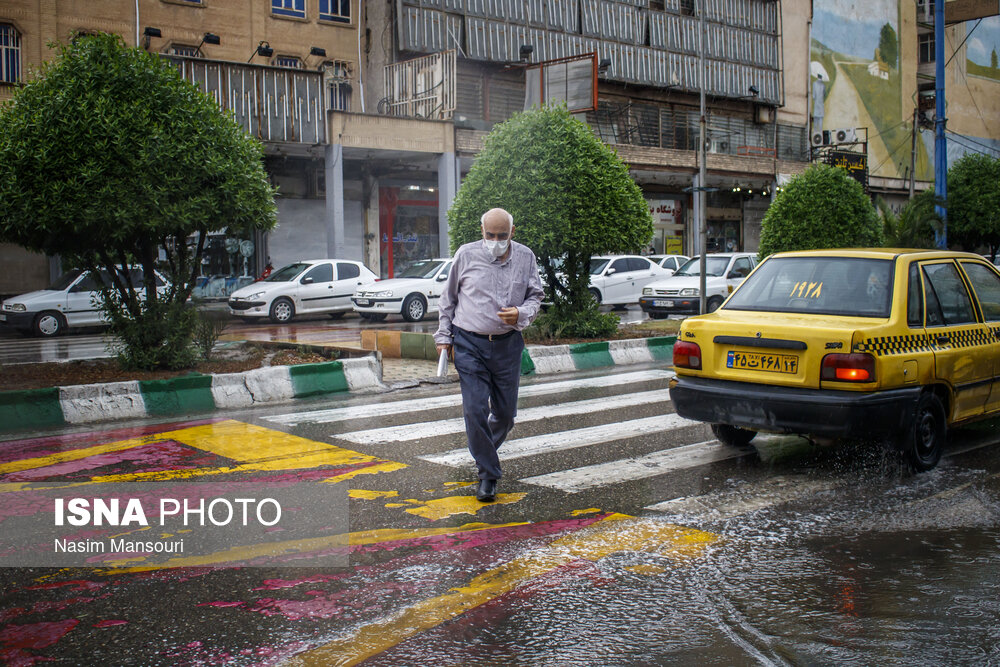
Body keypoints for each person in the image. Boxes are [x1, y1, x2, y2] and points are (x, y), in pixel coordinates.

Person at [435, 208, 545, 502]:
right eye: (490, 235)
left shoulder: (526, 257)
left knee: (506, 415)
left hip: (508, 345)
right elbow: (448, 299)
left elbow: (536, 296)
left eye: (501, 236)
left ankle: (482, 452)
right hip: (469, 342)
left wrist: (521, 313)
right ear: (481, 232)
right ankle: (488, 474)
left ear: (513, 232)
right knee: (475, 410)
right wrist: (444, 337)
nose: (495, 241)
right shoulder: (466, 255)